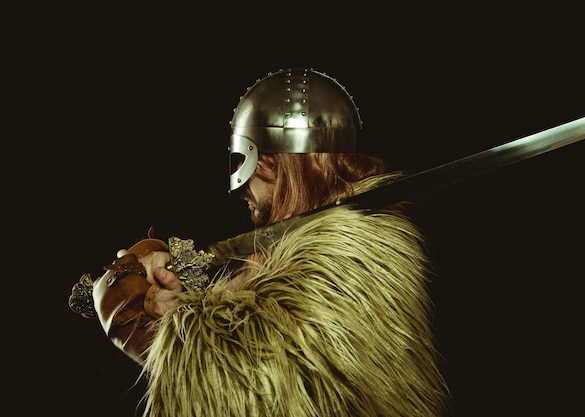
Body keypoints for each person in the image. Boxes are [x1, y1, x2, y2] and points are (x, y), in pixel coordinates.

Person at [72, 68, 449, 416]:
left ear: (274, 161)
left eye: (242, 161)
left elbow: (264, 391)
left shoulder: (350, 255)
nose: (239, 187)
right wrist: (163, 280)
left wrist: (158, 328)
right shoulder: (293, 253)